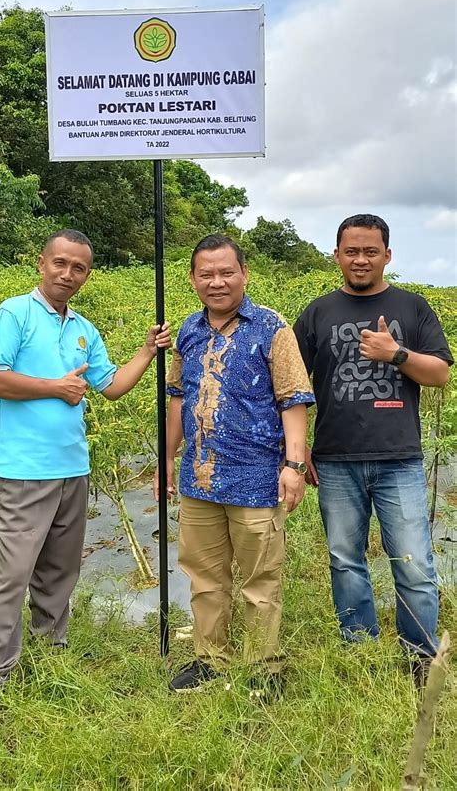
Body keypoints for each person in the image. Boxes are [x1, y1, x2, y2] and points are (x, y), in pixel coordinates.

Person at [0, 229, 171, 711]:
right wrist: (53, 387)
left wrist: (147, 352)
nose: (68, 274)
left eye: (79, 267)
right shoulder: (14, 314)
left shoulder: (85, 327)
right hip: (24, 471)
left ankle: (50, 656)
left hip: (73, 468)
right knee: (13, 575)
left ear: (88, 273)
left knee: (59, 572)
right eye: (60, 263)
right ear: (41, 263)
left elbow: (110, 386)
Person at [293, 214, 453, 683]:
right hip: (336, 459)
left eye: (370, 251)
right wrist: (298, 451)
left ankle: (419, 656)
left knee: (415, 563)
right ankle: (358, 649)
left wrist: (395, 354)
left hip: (400, 458)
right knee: (345, 559)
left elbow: (440, 374)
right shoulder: (317, 313)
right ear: (336, 255)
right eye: (351, 251)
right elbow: (291, 385)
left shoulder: (413, 307)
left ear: (387, 255)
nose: (360, 259)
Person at [154, 233, 314, 696]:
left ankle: (264, 667)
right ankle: (211, 659)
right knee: (205, 577)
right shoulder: (186, 330)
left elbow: (293, 399)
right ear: (192, 279)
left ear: (244, 274)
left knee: (261, 578)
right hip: (199, 479)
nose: (217, 282)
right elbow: (179, 398)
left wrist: (294, 465)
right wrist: (167, 457)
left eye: (227, 272)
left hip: (257, 479)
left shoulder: (271, 327)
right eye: (206, 274)